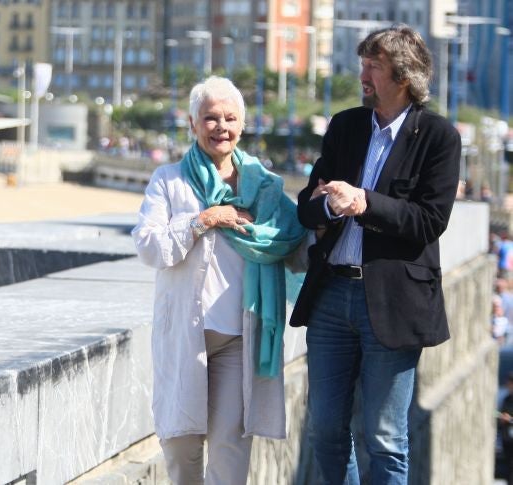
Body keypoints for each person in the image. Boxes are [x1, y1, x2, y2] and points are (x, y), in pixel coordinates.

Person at [290, 24, 461, 484]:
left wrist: (363, 202)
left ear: (403, 76)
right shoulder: (345, 125)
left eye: (373, 67)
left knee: (385, 437)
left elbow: (430, 221)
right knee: (324, 429)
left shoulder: (439, 137)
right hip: (330, 298)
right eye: (363, 64)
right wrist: (327, 203)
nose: (362, 75)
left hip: (393, 302)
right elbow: (309, 206)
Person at [132, 75, 308, 484]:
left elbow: (294, 240)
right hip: (185, 335)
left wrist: (332, 215)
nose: (221, 127)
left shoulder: (263, 188)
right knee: (181, 446)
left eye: (230, 118)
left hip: (238, 337)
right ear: (193, 125)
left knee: (230, 448)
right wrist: (203, 220)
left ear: (242, 127)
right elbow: (148, 245)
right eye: (210, 118)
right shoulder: (169, 180)